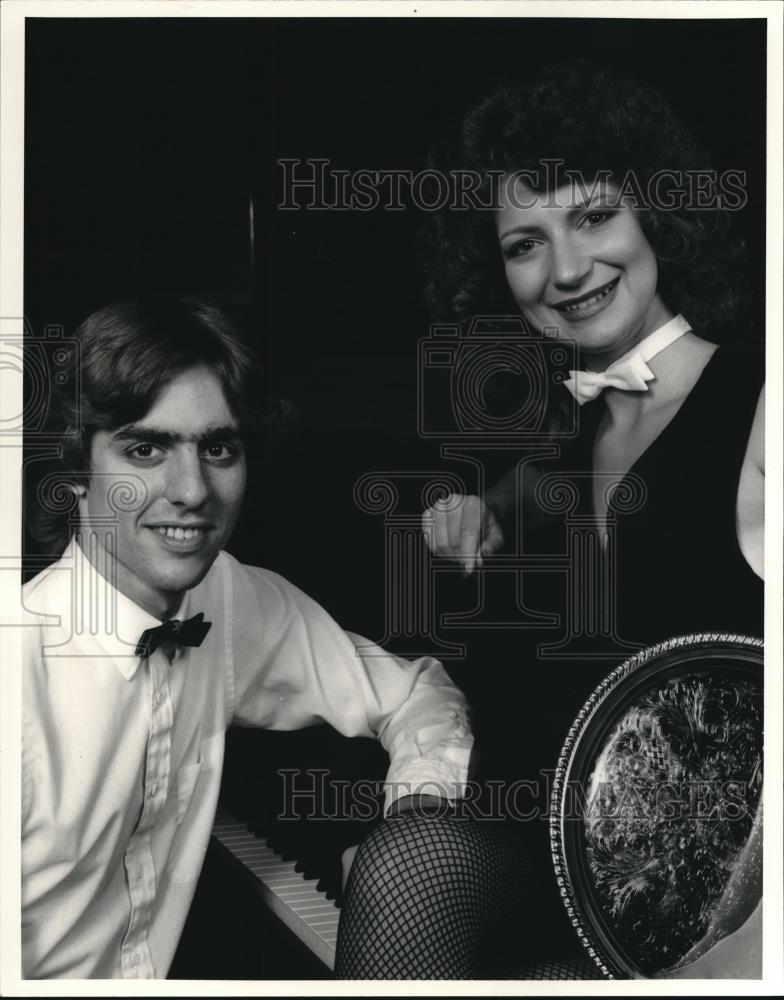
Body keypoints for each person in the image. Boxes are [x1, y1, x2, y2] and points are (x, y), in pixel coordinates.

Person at [21, 298, 485, 980]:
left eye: (218, 448)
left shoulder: (225, 598)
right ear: (73, 470)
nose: (191, 490)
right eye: (145, 448)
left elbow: (415, 691)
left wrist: (411, 834)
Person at [421, 61, 764, 978]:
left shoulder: (765, 409)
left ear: (654, 212)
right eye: (523, 243)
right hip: (568, 880)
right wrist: (469, 517)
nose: (566, 270)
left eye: (593, 214)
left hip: (737, 911)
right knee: (412, 864)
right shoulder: (562, 452)